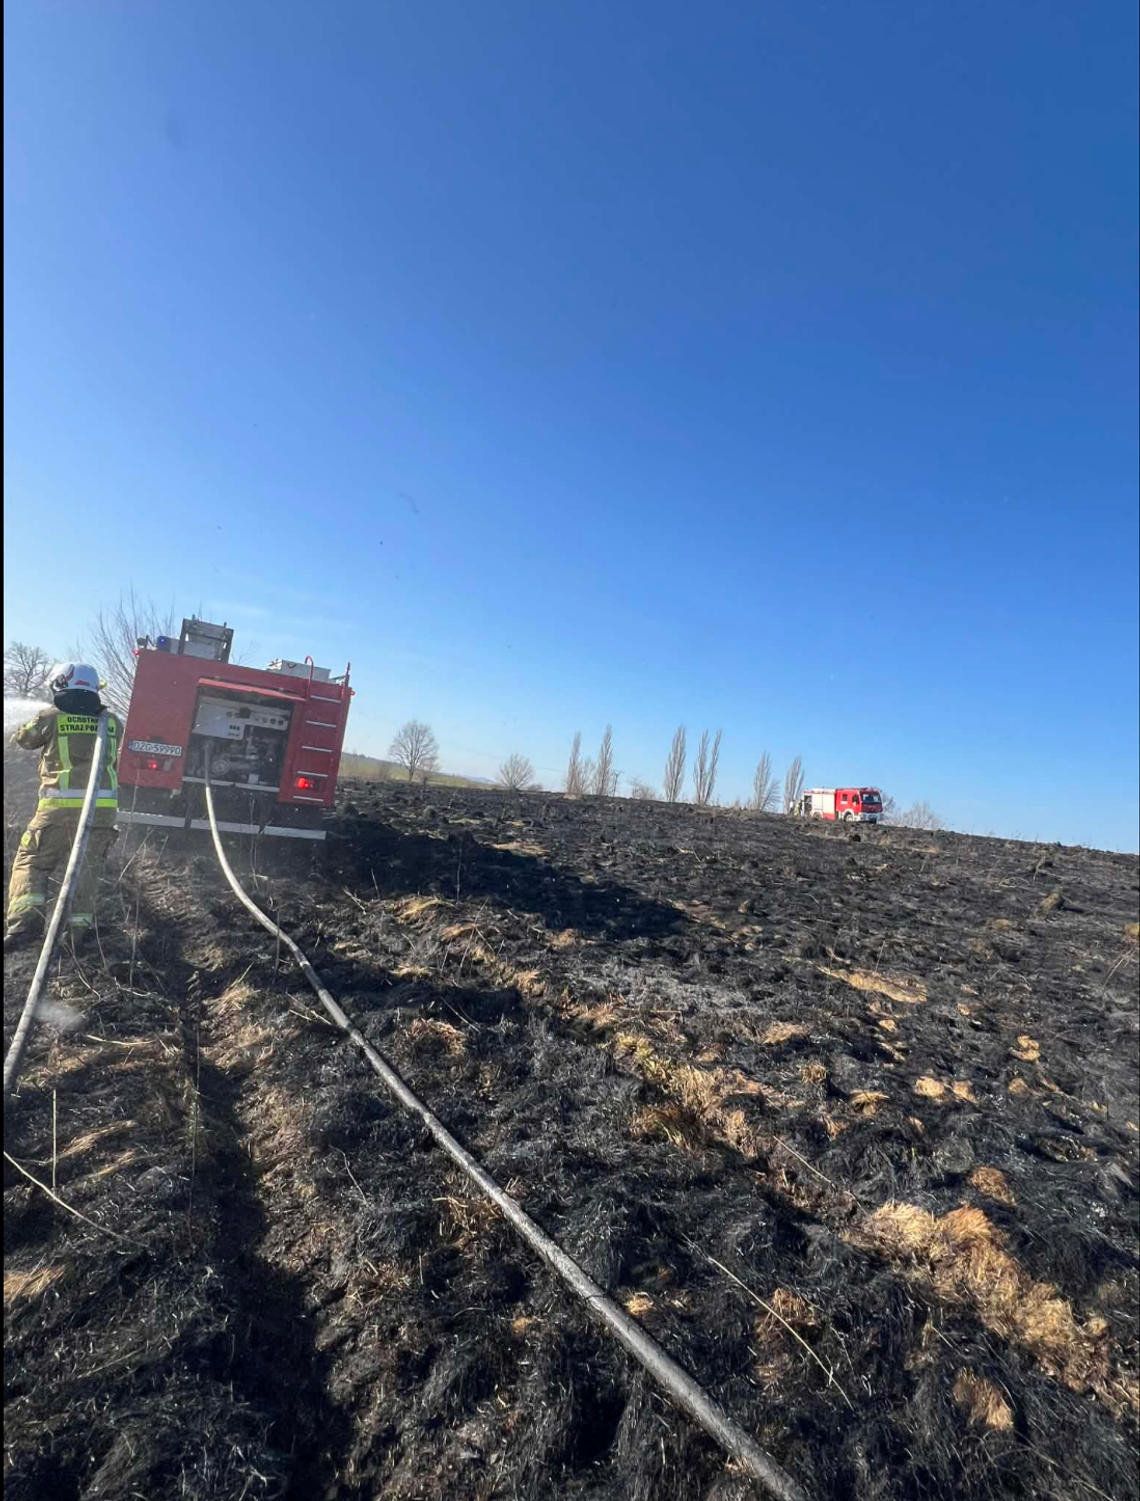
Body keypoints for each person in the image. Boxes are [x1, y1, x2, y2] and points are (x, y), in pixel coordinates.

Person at [4, 664, 122, 952]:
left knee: (32, 860)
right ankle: (74, 934)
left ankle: (25, 922)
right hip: (100, 814)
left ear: (60, 685)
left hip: (58, 810)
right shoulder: (113, 722)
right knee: (85, 870)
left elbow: (23, 739)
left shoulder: (50, 718)